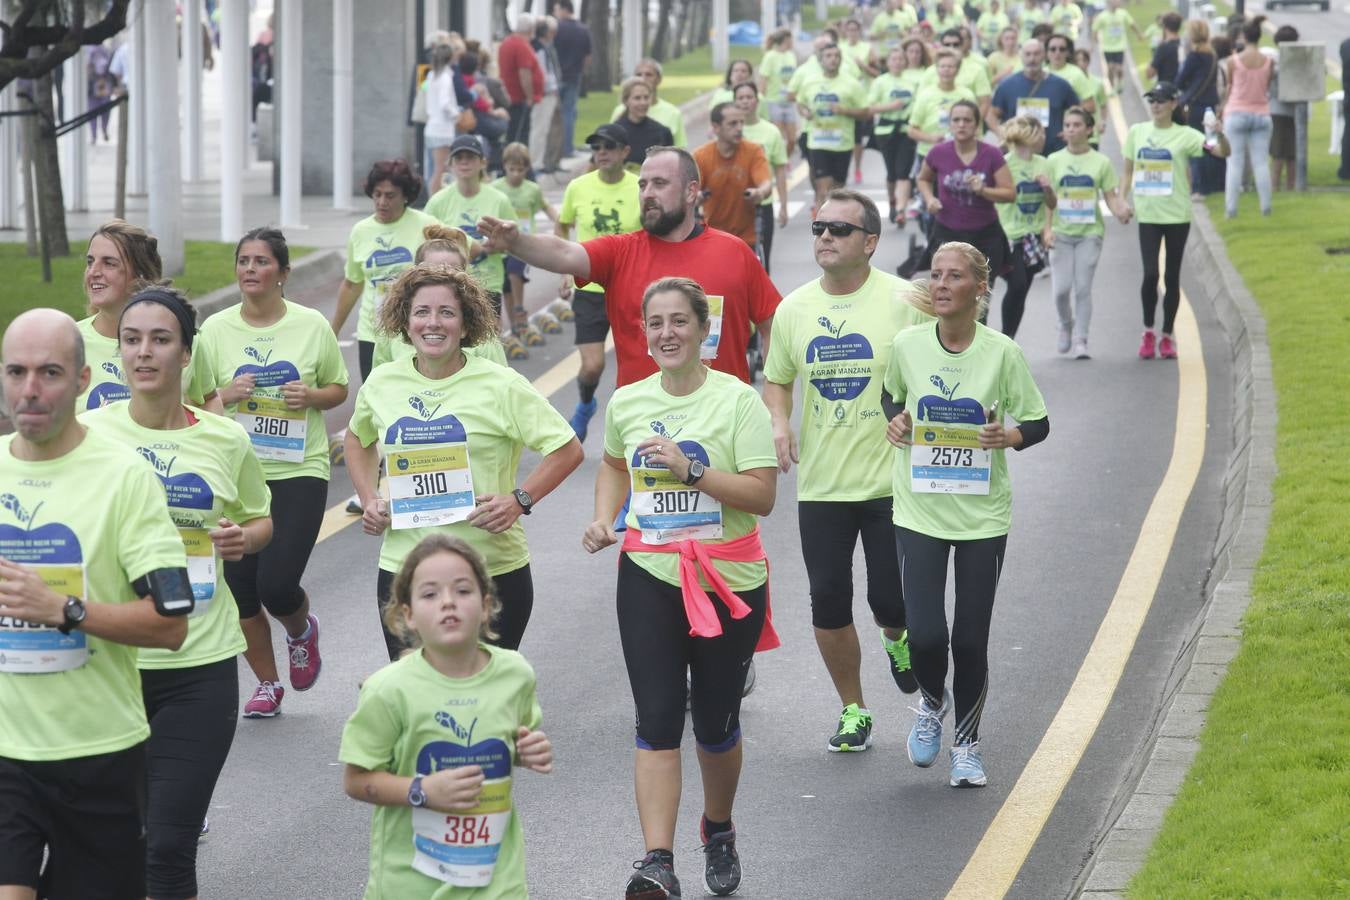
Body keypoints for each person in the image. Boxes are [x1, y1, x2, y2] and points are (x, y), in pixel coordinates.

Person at [581, 276, 779, 900]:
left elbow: (763, 496)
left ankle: (718, 828)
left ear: (703, 331)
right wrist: (602, 517)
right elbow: (615, 466)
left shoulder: (738, 401)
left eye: (679, 322)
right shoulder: (628, 402)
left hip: (728, 580)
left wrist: (692, 470)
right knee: (658, 718)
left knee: (716, 724)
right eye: (656, 323)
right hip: (649, 572)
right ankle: (656, 861)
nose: (667, 333)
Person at [82, 288, 272, 900]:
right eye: (132, 340)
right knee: (114, 842)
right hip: (111, 666)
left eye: (160, 340)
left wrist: (242, 537)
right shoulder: (85, 436)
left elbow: (260, 517)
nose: (144, 352)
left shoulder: (224, 439)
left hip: (200, 666)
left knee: (167, 846)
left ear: (186, 354)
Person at [0, 308, 190, 900]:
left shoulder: (124, 479)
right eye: (16, 372)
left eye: (50, 373)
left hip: (99, 752)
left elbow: (170, 624)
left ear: (82, 381)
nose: (30, 389)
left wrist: (64, 610)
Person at [763, 190, 933, 753]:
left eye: (839, 228)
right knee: (828, 599)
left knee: (890, 600)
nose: (825, 237)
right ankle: (854, 709)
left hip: (891, 480)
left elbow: (940, 359)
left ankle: (898, 637)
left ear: (871, 242)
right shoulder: (794, 309)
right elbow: (778, 380)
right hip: (822, 486)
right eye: (818, 229)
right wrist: (780, 424)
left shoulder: (905, 298)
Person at [345, 265, 582, 660]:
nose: (433, 323)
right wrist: (369, 498)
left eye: (446, 313)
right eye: (421, 312)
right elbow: (357, 438)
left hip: (491, 568)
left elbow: (567, 448)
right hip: (406, 570)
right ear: (405, 321)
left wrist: (519, 500)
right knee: (417, 700)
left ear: (466, 323)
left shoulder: (501, 384)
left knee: (486, 702)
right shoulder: (383, 383)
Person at [882, 242, 1050, 788]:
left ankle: (967, 743)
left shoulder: (1002, 353)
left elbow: (1038, 423)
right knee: (927, 636)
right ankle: (933, 702)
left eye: (955, 277)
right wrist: (899, 423)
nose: (942, 284)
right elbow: (891, 401)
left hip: (982, 517)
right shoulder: (907, 346)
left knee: (970, 641)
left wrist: (1010, 435)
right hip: (919, 509)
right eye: (936, 275)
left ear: (980, 289)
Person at [340, 534, 553, 898]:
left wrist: (526, 750)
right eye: (430, 594)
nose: (448, 603)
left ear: (486, 606)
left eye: (463, 591)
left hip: (497, 882)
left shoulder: (514, 674)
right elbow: (356, 780)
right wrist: (423, 790)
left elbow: (509, 742)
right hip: (409, 885)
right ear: (407, 614)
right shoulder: (388, 690)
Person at [198, 228, 350, 716]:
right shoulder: (215, 331)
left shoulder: (310, 326)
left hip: (298, 468)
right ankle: (267, 685)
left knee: (277, 584)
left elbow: (338, 388)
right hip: (237, 473)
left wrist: (311, 397)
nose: (249, 269)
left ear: (283, 274)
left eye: (261, 261)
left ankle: (301, 631)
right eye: (243, 260)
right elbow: (198, 401)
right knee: (240, 592)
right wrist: (228, 395)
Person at [477, 146, 780, 388]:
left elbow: (774, 326)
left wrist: (773, 400)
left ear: (691, 192)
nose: (647, 193)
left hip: (723, 427)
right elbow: (564, 252)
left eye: (660, 184)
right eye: (643, 185)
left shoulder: (734, 252)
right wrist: (517, 242)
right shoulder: (620, 251)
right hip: (642, 436)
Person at [1123, 81, 1229, 359]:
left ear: (1173, 104)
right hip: (1148, 214)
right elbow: (1127, 171)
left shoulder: (1187, 135)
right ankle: (1148, 332)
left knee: (1171, 277)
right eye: (1152, 100)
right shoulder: (1137, 132)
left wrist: (1221, 134)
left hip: (1177, 215)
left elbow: (1221, 152)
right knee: (1150, 274)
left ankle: (1167, 336)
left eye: (1160, 100)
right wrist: (1123, 200)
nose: (1155, 105)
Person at [76, 220, 217, 413]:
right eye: (90, 262)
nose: (93, 272)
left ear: (139, 274)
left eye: (109, 263)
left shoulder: (184, 339)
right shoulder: (69, 342)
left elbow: (209, 400)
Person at [556, 123, 642, 440]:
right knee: (592, 366)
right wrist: (565, 272)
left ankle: (635, 426)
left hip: (631, 288)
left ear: (624, 152)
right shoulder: (578, 187)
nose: (601, 152)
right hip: (590, 289)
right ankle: (585, 404)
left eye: (608, 146)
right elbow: (562, 227)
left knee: (635, 368)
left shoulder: (640, 187)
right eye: (596, 147)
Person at [331, 160, 439, 383]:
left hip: (412, 332)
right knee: (375, 402)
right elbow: (352, 283)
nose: (382, 202)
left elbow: (463, 248)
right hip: (372, 332)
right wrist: (333, 331)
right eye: (377, 194)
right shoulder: (360, 231)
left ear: (405, 196)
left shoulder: (427, 225)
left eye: (390, 196)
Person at [1047, 106, 1131, 359]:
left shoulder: (1101, 162)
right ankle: (1065, 324)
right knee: (1061, 289)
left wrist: (1122, 211)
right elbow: (1048, 200)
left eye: (1076, 125)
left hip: (1089, 233)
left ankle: (1081, 338)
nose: (1071, 129)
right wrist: (1046, 229)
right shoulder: (1053, 161)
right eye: (1068, 125)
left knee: (1082, 288)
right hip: (1060, 233)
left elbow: (1111, 197)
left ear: (1089, 129)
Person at [372, 225, 512, 369]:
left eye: (453, 271)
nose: (442, 280)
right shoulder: (390, 336)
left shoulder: (484, 340)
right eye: (432, 271)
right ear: (414, 273)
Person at [916, 100, 1015, 284]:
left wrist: (984, 190)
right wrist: (929, 199)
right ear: (950, 124)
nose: (961, 124)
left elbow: (1010, 194)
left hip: (984, 234)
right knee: (948, 292)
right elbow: (923, 178)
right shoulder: (938, 152)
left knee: (980, 297)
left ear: (977, 125)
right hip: (947, 233)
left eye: (967, 120)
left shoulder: (991, 154)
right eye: (956, 120)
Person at [426, 135, 519, 321]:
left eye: (470, 157)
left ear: (483, 162)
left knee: (488, 345)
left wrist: (492, 247)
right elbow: (425, 245)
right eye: (459, 158)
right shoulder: (437, 202)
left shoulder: (499, 200)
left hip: (488, 282)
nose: (464, 162)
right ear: (450, 163)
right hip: (448, 284)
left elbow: (515, 241)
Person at [993, 115, 1056, 339]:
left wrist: (1048, 189)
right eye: (1042, 132)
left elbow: (1052, 204)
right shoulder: (1004, 163)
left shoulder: (1044, 164)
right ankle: (1003, 338)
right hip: (1008, 235)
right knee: (1018, 284)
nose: (1044, 138)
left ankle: (1008, 340)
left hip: (1033, 237)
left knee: (1021, 291)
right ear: (1031, 134)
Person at [494, 142, 560, 342]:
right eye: (512, 169)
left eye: (520, 170)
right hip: (501, 245)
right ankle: (514, 325)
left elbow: (547, 207)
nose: (516, 174)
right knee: (505, 287)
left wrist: (559, 219)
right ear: (504, 166)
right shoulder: (496, 188)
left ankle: (520, 308)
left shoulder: (532, 189)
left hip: (523, 244)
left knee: (515, 272)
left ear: (527, 169)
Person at [796, 43, 871, 210]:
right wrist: (805, 112)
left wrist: (843, 110)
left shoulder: (851, 84)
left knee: (837, 188)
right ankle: (824, 221)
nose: (833, 59)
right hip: (818, 142)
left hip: (842, 143)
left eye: (836, 56)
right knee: (824, 187)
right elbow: (800, 103)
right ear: (821, 60)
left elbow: (866, 112)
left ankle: (831, 215)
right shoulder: (810, 82)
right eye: (828, 56)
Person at [691, 102, 774, 251]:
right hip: (713, 236)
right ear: (716, 127)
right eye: (733, 124)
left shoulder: (754, 151)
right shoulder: (701, 156)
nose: (739, 128)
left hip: (747, 237)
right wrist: (696, 197)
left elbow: (766, 184)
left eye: (741, 122)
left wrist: (759, 192)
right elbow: (690, 190)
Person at [734, 81, 791, 272]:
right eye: (740, 98)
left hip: (761, 206)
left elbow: (780, 170)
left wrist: (783, 205)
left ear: (757, 101)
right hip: (733, 205)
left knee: (761, 262)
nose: (745, 102)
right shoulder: (729, 131)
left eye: (749, 97)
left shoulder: (771, 132)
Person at [1221, 16, 1274, 219]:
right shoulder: (1268, 61)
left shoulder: (1233, 61)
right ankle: (1266, 208)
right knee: (1261, 163)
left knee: (1235, 163)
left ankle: (1231, 210)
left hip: (1236, 112)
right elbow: (1267, 86)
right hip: (1261, 113)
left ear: (1243, 36)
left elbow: (1229, 88)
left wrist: (1222, 109)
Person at [988, 39, 1079, 153]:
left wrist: (1069, 131)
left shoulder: (1060, 85)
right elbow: (991, 115)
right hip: (1017, 152)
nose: (1032, 59)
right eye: (1028, 54)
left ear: (1044, 56)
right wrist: (1001, 133)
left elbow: (1078, 111)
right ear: (1021, 56)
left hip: (1052, 151)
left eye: (1036, 54)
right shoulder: (1006, 85)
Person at [869, 44, 926, 225]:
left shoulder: (912, 82)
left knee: (903, 171)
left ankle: (901, 209)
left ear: (905, 62)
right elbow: (870, 108)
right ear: (888, 62)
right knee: (891, 172)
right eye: (894, 59)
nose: (897, 62)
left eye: (901, 59)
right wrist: (891, 107)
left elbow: (919, 105)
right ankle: (892, 202)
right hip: (885, 131)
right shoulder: (880, 81)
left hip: (905, 131)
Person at [1177, 19, 1224, 198]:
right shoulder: (1212, 55)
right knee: (1210, 144)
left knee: (1195, 146)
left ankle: (1198, 187)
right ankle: (1213, 184)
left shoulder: (1194, 56)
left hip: (1195, 106)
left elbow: (1179, 81)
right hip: (1210, 104)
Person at [906, 49, 977, 168]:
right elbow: (912, 130)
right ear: (937, 69)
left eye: (950, 66)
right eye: (942, 66)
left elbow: (976, 127)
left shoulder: (967, 95)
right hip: (929, 153)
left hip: (960, 155)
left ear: (957, 70)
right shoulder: (925, 95)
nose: (946, 70)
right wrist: (931, 138)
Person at [611, 58, 688, 147]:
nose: (643, 78)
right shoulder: (619, 111)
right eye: (638, 74)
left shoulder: (673, 113)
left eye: (649, 74)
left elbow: (680, 149)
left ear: (659, 79)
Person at [552, 0, 592, 158]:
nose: (555, 13)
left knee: (554, 115)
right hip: (574, 76)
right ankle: (567, 148)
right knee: (569, 112)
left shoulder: (556, 29)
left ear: (564, 9)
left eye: (556, 9)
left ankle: (554, 151)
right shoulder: (583, 30)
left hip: (555, 78)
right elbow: (588, 57)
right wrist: (582, 71)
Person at [499, 13, 543, 146]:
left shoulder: (506, 43)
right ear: (530, 30)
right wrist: (529, 97)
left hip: (509, 95)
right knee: (520, 134)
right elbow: (524, 73)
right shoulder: (521, 46)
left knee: (513, 132)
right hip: (519, 98)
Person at [423, 42, 461, 193]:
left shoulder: (431, 76)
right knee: (441, 169)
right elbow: (445, 103)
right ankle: (433, 201)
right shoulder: (445, 77)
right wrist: (456, 114)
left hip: (432, 126)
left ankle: (432, 197)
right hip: (442, 129)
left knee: (434, 168)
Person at [615, 76, 675, 170]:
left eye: (646, 97)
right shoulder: (615, 133)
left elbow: (671, 168)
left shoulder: (662, 132)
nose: (643, 102)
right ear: (626, 101)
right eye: (637, 98)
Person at [759, 27, 800, 154]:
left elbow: (795, 78)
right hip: (774, 102)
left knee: (792, 139)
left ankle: (785, 159)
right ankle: (779, 165)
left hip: (789, 102)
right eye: (791, 40)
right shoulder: (770, 56)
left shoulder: (791, 56)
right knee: (778, 138)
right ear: (786, 40)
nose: (793, 42)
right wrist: (761, 102)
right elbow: (763, 80)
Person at [529, 16, 563, 170]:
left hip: (545, 93)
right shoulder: (540, 49)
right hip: (545, 94)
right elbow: (543, 73)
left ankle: (540, 160)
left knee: (543, 128)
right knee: (540, 128)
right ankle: (536, 162)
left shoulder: (539, 47)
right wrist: (553, 88)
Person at [1268, 25, 1299, 192]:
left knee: (1278, 151)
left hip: (1277, 109)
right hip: (1295, 110)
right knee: (1292, 152)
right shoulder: (1299, 60)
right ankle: (1291, 185)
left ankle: (1274, 185)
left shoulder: (1276, 61)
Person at [1091, 0, 1142, 90]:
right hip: (1108, 47)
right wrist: (1094, 44)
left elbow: (1132, 24)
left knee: (1119, 68)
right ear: (1109, 2)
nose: (1117, 2)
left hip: (1119, 46)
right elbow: (1095, 29)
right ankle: (1112, 87)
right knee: (1110, 68)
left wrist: (1139, 34)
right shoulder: (1102, 16)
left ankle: (1120, 82)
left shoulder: (1123, 13)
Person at [1146, 12, 1183, 88]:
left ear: (1165, 27)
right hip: (1182, 89)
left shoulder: (1163, 47)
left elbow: (1150, 74)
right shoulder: (1184, 45)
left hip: (1166, 90)